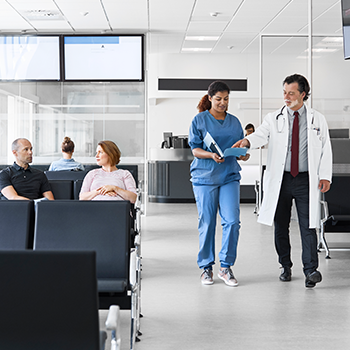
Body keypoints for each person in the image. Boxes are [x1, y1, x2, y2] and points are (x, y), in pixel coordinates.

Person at [233, 74, 332, 288]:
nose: (286, 97)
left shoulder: (317, 119)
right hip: (281, 180)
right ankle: (285, 266)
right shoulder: (273, 118)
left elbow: (326, 148)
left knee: (309, 226)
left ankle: (310, 270)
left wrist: (325, 175)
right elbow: (260, 135)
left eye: (291, 93)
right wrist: (247, 141)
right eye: (284, 92)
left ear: (303, 94)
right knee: (281, 226)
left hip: (306, 180)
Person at [189, 80, 250, 287]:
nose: (223, 103)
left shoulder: (234, 121)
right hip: (204, 178)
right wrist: (210, 155)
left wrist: (243, 155)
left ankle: (225, 267)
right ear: (209, 98)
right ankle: (206, 268)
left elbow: (240, 145)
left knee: (232, 221)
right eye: (218, 99)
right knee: (207, 223)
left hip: (229, 176)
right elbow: (195, 150)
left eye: (226, 99)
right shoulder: (199, 120)